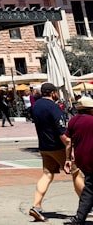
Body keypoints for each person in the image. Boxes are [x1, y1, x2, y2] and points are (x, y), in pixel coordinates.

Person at [30, 82, 82, 222]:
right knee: (76, 172)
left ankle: (36, 205)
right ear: (53, 93)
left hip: (44, 146)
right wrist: (69, 148)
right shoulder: (53, 107)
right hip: (57, 146)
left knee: (47, 174)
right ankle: (87, 205)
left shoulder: (35, 107)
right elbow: (61, 131)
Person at [63, 95, 93, 225]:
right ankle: (79, 218)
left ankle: (79, 219)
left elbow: (68, 142)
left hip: (82, 159)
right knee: (90, 188)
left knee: (90, 188)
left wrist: (68, 159)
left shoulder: (73, 120)